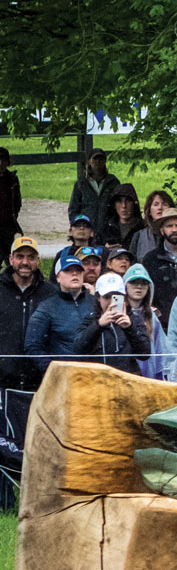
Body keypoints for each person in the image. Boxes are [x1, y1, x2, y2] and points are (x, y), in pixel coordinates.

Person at [26, 256, 100, 380]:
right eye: (68, 270)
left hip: (95, 377)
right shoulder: (47, 307)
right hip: (62, 380)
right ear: (58, 277)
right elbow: (32, 346)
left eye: (78, 270)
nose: (75, 274)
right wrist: (54, 371)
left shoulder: (96, 303)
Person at [0, 236, 53, 393]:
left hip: (39, 381)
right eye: (19, 256)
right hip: (3, 380)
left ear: (38, 260)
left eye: (31, 257)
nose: (25, 262)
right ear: (11, 259)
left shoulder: (50, 293)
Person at [77, 272, 148, 375]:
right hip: (97, 381)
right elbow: (78, 349)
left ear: (124, 297)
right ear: (98, 297)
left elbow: (144, 354)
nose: (111, 302)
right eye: (106, 297)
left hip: (127, 382)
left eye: (116, 297)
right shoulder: (90, 319)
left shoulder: (134, 319)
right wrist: (98, 325)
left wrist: (129, 328)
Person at [139, 207, 177, 322]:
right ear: (162, 230)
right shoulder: (150, 259)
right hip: (162, 323)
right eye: (169, 226)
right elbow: (145, 292)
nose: (174, 229)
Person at [67, 150, 119, 226]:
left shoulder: (113, 182)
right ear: (89, 161)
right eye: (95, 159)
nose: (98, 162)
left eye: (101, 159)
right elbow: (73, 209)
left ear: (105, 162)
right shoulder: (81, 184)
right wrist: (77, 226)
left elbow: (118, 206)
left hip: (108, 229)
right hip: (87, 228)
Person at [100, 184, 144, 250]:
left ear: (134, 203)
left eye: (128, 200)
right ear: (114, 205)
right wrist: (105, 249)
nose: (124, 206)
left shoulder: (143, 228)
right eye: (119, 201)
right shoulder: (107, 229)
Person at [0, 148, 20, 246]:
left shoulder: (12, 179)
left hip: (7, 224)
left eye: (3, 161)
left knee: (9, 255)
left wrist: (13, 216)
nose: (0, 163)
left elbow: (17, 201)